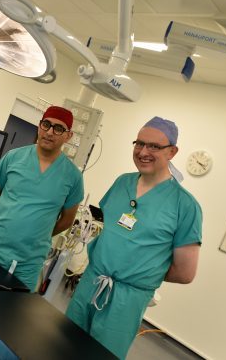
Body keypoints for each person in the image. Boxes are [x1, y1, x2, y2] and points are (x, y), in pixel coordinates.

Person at [66, 116, 202, 359]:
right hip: (91, 281)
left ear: (172, 151)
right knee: (63, 343)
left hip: (127, 300)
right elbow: (113, 233)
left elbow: (185, 272)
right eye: (139, 144)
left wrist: (140, 274)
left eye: (154, 146)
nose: (143, 152)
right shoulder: (122, 183)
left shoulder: (185, 206)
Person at [0, 106, 84, 292]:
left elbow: (67, 220)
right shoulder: (13, 157)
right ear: (39, 126)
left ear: (68, 136)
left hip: (29, 261)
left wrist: (37, 235)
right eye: (46, 124)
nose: (50, 132)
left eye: (58, 128)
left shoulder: (72, 176)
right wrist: (8, 224)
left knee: (13, 312)